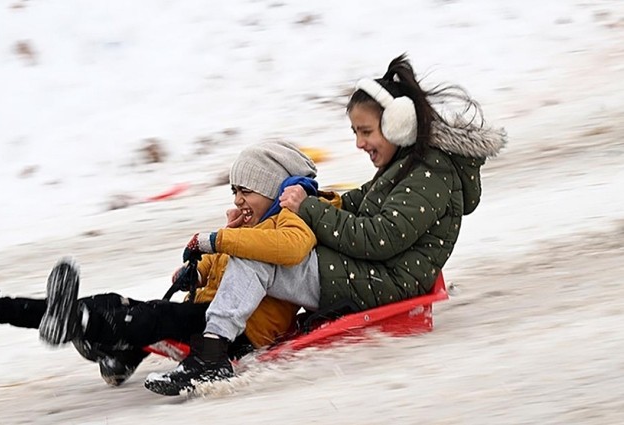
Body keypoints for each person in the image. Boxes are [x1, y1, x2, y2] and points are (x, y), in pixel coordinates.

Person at [144, 54, 507, 396]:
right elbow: (359, 202)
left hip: (388, 281)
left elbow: (380, 238)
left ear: (398, 125)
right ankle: (218, 336)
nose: (359, 143)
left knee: (256, 255)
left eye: (365, 131)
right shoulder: (410, 166)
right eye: (355, 132)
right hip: (376, 272)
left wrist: (312, 210)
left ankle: (212, 354)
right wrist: (315, 200)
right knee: (266, 246)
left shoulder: (430, 174)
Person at [0, 140, 330, 386]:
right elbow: (225, 276)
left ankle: (81, 327)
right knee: (130, 310)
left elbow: (284, 252)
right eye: (234, 191)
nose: (238, 199)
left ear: (275, 188)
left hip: (237, 332)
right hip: (209, 314)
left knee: (132, 314)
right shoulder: (253, 226)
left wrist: (224, 239)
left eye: (246, 190)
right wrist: (203, 264)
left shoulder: (289, 221)